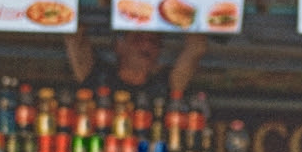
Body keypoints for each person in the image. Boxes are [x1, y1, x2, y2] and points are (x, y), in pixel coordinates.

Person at [63, 29, 207, 104]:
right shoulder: (96, 75)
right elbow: (74, 36)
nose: (147, 45)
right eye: (138, 38)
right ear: (119, 46)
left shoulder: (168, 83)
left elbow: (197, 47)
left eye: (154, 41)